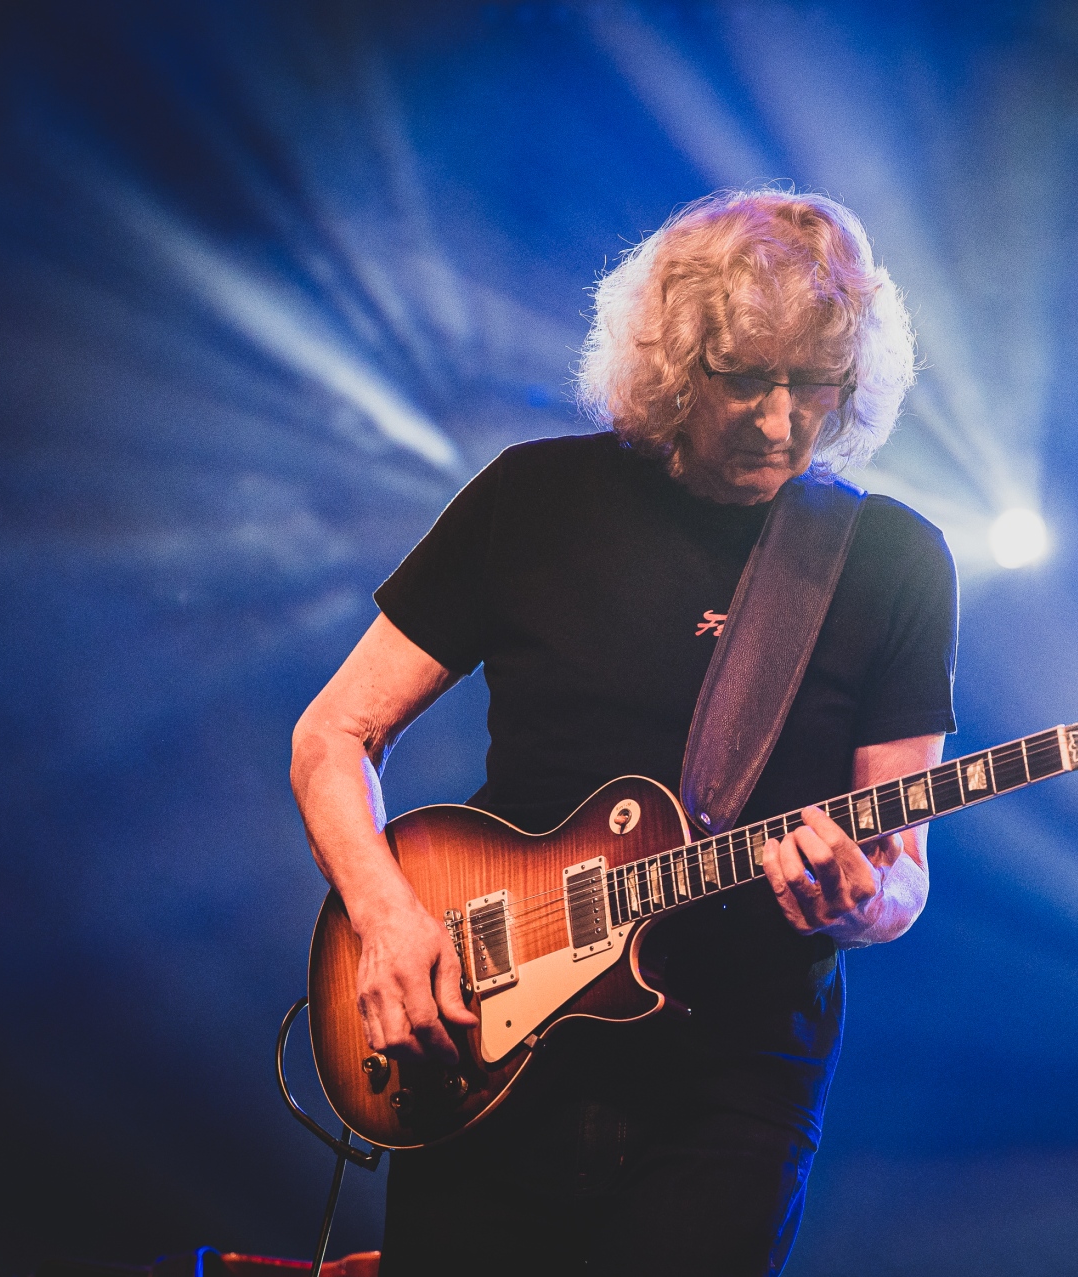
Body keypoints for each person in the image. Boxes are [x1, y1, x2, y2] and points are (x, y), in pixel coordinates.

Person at [290, 189, 958, 1275]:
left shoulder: (895, 562)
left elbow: (904, 871)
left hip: (735, 1081)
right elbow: (334, 734)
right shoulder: (534, 500)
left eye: (816, 384)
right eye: (746, 378)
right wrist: (387, 917)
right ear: (674, 358)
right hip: (487, 1036)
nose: (782, 422)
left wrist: (865, 902)